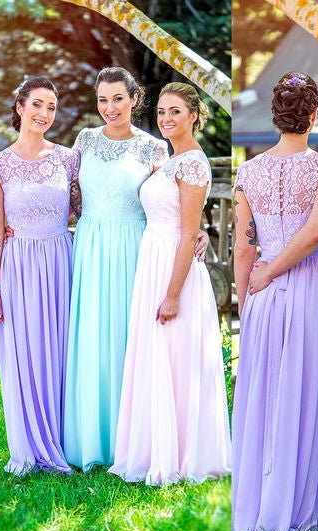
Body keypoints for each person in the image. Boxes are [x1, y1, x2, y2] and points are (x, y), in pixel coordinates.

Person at [63, 67, 207, 470]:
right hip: (91, 243)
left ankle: (130, 440)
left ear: (134, 99)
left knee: (129, 338)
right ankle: (90, 437)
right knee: (92, 335)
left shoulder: (154, 148)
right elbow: (67, 191)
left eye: (118, 99)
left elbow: (171, 202)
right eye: (102, 100)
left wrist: (198, 232)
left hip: (134, 248)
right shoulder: (85, 140)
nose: (110, 108)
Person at [232, 73, 318, 531]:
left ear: (275, 117)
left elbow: (243, 248)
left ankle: (265, 496)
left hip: (262, 290)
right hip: (313, 285)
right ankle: (309, 499)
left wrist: (246, 304)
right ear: (313, 116)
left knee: (268, 395)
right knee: (311, 390)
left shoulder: (249, 172)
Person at [108, 83, 231, 485]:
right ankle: (152, 445)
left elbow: (188, 231)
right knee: (157, 355)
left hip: (174, 269)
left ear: (194, 115)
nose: (166, 119)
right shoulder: (171, 160)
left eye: (175, 111)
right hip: (154, 259)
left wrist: (173, 294)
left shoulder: (193, 163)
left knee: (175, 355)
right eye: (161, 112)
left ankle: (180, 453)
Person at [0, 77, 79, 475]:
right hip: (20, 265)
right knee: (25, 352)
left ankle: (66, 436)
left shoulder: (68, 159)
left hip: (61, 260)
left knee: (62, 349)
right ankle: (28, 445)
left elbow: (89, 209)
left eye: (51, 107)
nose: (44, 114)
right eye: (37, 105)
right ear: (20, 108)